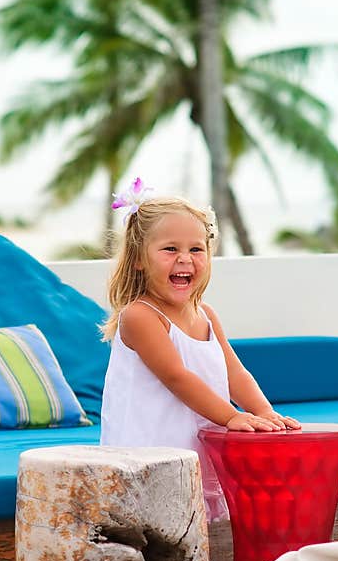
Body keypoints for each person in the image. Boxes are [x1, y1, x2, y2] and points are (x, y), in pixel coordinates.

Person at [99, 178, 301, 522]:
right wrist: (232, 417)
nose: (185, 259)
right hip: (149, 457)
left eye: (196, 249)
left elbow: (236, 373)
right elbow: (177, 378)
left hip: (196, 453)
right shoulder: (141, 316)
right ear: (138, 259)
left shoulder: (206, 315)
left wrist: (264, 412)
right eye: (169, 249)